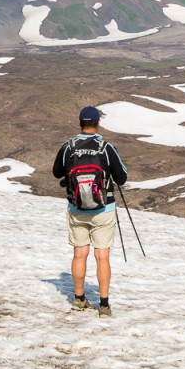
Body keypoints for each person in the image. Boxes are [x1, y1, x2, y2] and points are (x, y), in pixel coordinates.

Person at [52, 106, 128, 317]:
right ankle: (104, 304)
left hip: (77, 208)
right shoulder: (106, 147)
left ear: (79, 123)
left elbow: (56, 171)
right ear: (98, 123)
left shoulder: (68, 147)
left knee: (80, 253)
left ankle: (79, 299)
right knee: (102, 256)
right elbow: (122, 177)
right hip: (104, 208)